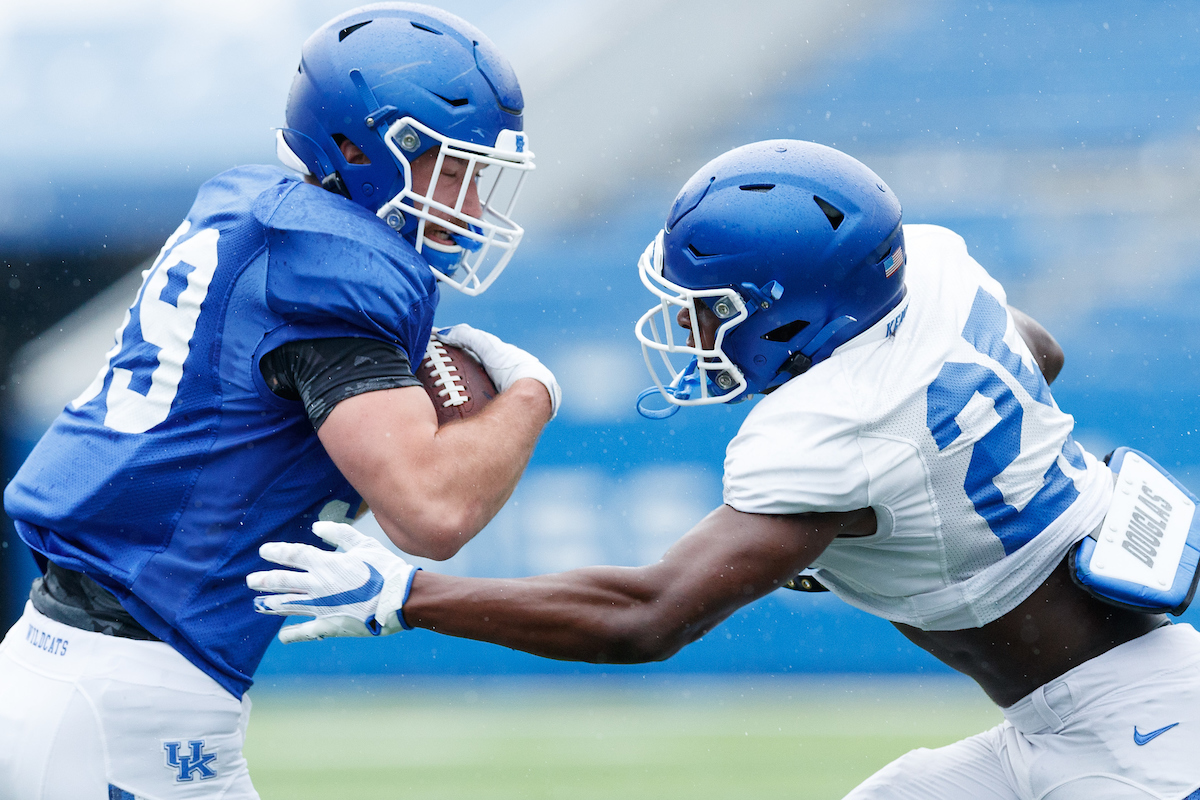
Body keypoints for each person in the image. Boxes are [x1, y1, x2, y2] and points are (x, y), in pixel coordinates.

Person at [250, 139, 1200, 799]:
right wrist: (921, 502)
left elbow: (643, 618)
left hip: (1136, 742)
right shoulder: (938, 278)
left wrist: (410, 596)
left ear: (793, 313)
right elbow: (1039, 352)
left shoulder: (837, 424)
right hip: (1097, 702)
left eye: (713, 308)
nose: (694, 329)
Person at [0, 4, 559, 799]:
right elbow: (435, 514)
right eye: (451, 167)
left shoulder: (257, 217)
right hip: (127, 707)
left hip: (69, 668)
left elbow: (258, 457)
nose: (470, 202)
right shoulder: (331, 263)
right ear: (357, 147)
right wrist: (533, 395)